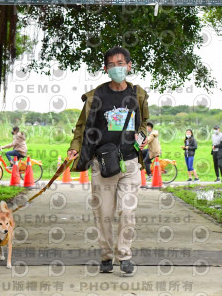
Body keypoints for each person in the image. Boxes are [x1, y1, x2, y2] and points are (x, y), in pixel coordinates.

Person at [67, 46, 148, 276]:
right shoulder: (96, 96)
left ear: (129, 66)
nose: (117, 68)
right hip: (102, 164)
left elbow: (145, 123)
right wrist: (75, 148)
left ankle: (124, 255)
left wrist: (141, 139)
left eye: (121, 63)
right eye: (111, 65)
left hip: (130, 163)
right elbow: (81, 127)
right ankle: (106, 255)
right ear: (105, 69)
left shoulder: (138, 94)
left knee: (128, 211)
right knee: (103, 213)